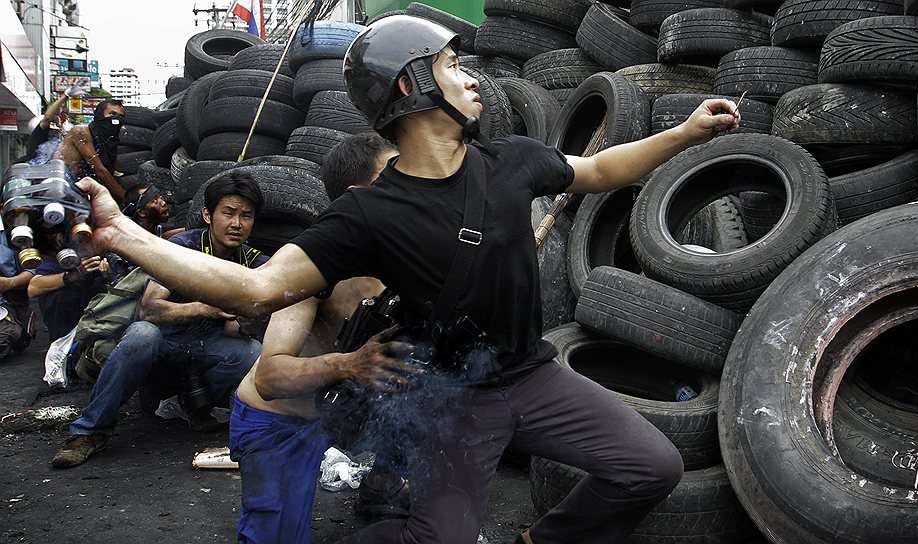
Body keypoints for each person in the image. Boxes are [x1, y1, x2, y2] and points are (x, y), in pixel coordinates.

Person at [75, 15, 740, 543]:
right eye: (453, 65)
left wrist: (682, 134)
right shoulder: (367, 212)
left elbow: (598, 172)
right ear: (410, 85)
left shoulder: (510, 160)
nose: (472, 77)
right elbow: (254, 289)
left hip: (536, 377)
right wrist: (124, 236)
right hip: (457, 402)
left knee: (652, 467)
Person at [228, 134, 398, 543]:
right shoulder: (310, 264)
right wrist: (351, 364)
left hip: (342, 410)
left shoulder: (405, 255)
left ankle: (383, 488)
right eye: (398, 175)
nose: (418, 184)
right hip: (279, 421)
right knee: (277, 535)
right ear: (360, 196)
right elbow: (270, 378)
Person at [51, 172, 268, 468]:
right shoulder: (182, 247)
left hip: (202, 347)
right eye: (228, 213)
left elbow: (234, 328)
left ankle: (187, 402)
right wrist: (206, 307)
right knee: (143, 334)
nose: (237, 224)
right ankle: (89, 432)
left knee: (251, 351)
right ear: (207, 214)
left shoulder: (253, 262)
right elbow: (150, 310)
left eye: (246, 216)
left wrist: (250, 320)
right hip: (163, 342)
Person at [56, 99, 125, 201]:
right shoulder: (81, 131)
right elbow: (98, 169)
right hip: (63, 187)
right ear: (99, 115)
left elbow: (114, 174)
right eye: (112, 114)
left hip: (84, 190)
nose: (116, 119)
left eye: (120, 116)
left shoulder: (110, 141)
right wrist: (125, 197)